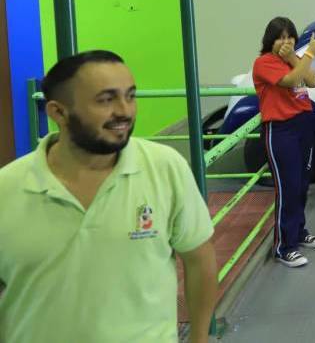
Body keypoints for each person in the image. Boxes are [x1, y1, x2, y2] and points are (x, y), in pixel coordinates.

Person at [0, 51, 217, 341]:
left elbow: (199, 260)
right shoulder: (7, 188)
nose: (125, 111)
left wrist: (199, 338)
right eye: (106, 100)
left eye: (130, 96)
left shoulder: (165, 167)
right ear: (58, 112)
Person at [253, 17, 315, 268]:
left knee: (303, 183)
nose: (285, 42)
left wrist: (296, 57)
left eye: (289, 37)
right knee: (288, 186)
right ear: (270, 41)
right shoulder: (264, 62)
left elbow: (313, 81)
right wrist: (308, 53)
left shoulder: (292, 59)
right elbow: (292, 81)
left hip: (303, 125)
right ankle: (284, 246)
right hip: (280, 130)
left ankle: (298, 230)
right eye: (280, 37)